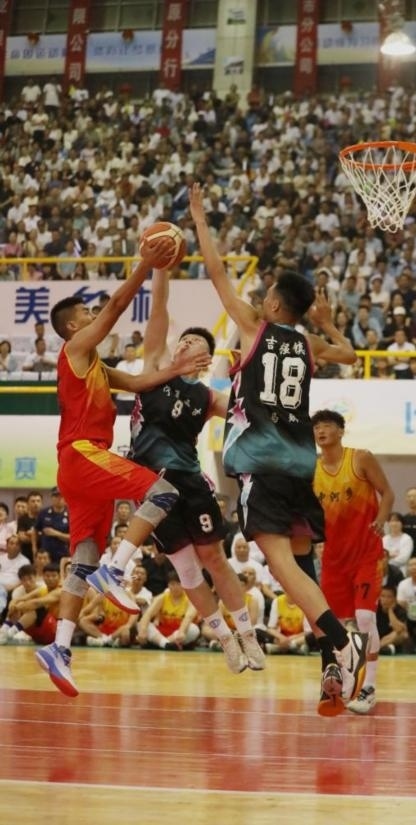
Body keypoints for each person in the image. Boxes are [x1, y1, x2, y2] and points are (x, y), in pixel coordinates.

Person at [189, 182, 366, 717]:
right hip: (299, 464)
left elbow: (216, 272)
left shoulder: (254, 326)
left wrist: (200, 219)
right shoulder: (308, 344)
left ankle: (343, 642)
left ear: (271, 304)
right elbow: (351, 355)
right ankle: (330, 662)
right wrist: (326, 322)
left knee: (281, 564)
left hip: (262, 464)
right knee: (303, 567)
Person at [35, 249, 212, 697]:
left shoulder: (96, 365)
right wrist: (147, 264)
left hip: (80, 466)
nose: (94, 315)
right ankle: (115, 571)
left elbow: (135, 384)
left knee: (84, 556)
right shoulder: (75, 349)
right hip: (82, 454)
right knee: (163, 491)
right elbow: (116, 306)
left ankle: (59, 648)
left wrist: (176, 369)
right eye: (86, 313)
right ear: (73, 327)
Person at [126, 267, 266, 673]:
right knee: (186, 568)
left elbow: (249, 414)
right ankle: (224, 638)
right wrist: (160, 266)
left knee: (214, 559)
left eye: (194, 342)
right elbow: (159, 307)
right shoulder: (154, 366)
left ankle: (247, 634)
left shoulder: (206, 396)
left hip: (189, 481)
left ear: (204, 360)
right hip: (150, 485)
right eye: (183, 339)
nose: (184, 343)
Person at [312, 409, 395, 715]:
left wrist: (381, 519)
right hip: (334, 559)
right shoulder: (312, 469)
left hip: (366, 553)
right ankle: (348, 680)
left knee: (365, 618)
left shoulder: (360, 458)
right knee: (335, 625)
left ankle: (369, 687)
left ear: (340, 431)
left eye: (327, 426)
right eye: (317, 427)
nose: (321, 431)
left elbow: (388, 493)